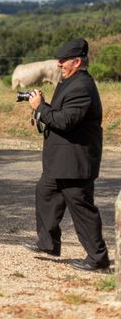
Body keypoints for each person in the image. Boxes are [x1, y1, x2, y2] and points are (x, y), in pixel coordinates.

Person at [24, 38, 110, 272]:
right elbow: (60, 113)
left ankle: (97, 258)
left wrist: (40, 108)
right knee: (45, 192)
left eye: (63, 61)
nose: (59, 64)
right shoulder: (68, 82)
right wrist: (42, 105)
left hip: (75, 162)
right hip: (61, 162)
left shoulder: (82, 86)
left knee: (81, 207)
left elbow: (65, 121)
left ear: (77, 61)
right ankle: (48, 243)